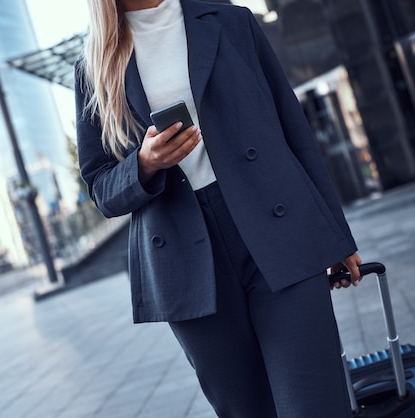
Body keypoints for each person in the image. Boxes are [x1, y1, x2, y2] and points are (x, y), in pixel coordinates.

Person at [75, 0, 363, 416]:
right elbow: (101, 188)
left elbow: (292, 129)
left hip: (277, 226)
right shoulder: (94, 66)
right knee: (247, 409)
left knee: (314, 402)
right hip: (185, 256)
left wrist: (335, 235)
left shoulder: (230, 20)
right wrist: (145, 163)